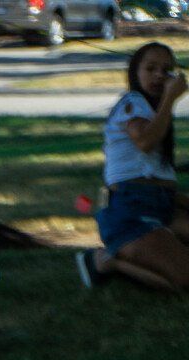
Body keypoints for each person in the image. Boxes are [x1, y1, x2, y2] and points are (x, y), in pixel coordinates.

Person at [78, 42, 189, 293]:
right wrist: (170, 98)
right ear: (135, 72)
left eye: (166, 70)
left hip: (163, 206)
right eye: (150, 68)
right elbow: (145, 142)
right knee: (184, 280)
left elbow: (160, 181)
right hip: (132, 211)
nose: (159, 76)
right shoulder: (133, 102)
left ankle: (159, 250)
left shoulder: (155, 112)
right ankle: (109, 262)